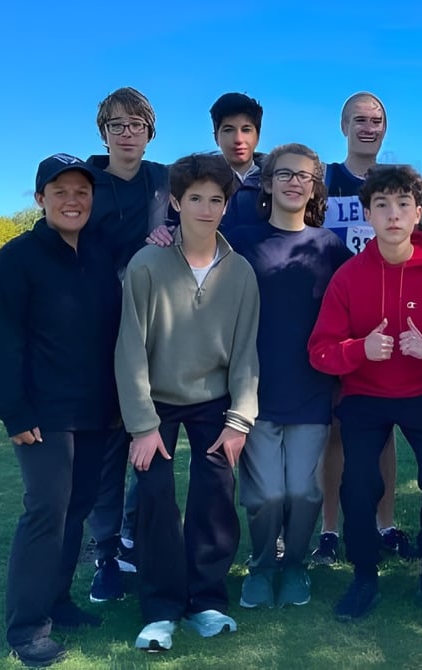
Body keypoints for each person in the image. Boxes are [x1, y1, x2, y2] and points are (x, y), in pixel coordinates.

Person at [308, 165, 422, 622]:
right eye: (382, 205)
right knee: (359, 483)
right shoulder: (348, 276)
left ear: (418, 213)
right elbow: (320, 351)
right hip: (365, 395)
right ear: (367, 215)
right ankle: (364, 576)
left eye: (403, 204)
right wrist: (359, 349)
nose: (393, 214)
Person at [115, 153, 260, 651]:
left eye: (215, 199)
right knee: (155, 500)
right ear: (175, 202)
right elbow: (130, 346)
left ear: (226, 205)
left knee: (215, 499)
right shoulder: (147, 263)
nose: (205, 208)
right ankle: (159, 610)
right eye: (194, 198)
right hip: (155, 403)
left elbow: (245, 353)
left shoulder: (240, 272)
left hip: (214, 402)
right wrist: (141, 425)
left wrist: (240, 421)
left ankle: (207, 601)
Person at [0, 155, 120, 667]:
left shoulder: (101, 254)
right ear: (40, 199)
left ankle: (59, 602)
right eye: (60, 190)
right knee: (46, 512)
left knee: (76, 510)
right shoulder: (16, 260)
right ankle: (27, 627)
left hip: (94, 411)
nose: (72, 200)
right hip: (42, 416)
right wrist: (13, 413)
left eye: (81, 191)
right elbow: (6, 340)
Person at [225, 144, 352, 609]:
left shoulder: (330, 246)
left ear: (315, 186)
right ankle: (260, 567)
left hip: (311, 387)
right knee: (265, 494)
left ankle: (295, 564)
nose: (294, 182)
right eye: (285, 174)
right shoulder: (239, 240)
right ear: (268, 182)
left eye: (304, 175)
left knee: (302, 489)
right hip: (254, 387)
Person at [315, 92, 412, 564]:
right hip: (336, 320)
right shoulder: (324, 180)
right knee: (336, 428)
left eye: (376, 120)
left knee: (384, 429)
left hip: (387, 321)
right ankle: (330, 528)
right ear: (343, 125)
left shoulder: (393, 181)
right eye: (358, 119)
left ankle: (384, 522)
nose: (367, 127)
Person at [83, 86, 170, 604]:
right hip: (98, 334)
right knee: (109, 448)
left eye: (137, 124)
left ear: (150, 131)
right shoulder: (85, 183)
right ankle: (105, 552)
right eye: (118, 125)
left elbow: (231, 189)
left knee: (151, 442)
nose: (128, 133)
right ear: (103, 132)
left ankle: (136, 538)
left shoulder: (164, 180)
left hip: (155, 331)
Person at [211, 92, 266, 231]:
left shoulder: (277, 180)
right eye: (228, 130)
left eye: (246, 130)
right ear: (216, 137)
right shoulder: (198, 181)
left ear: (257, 136)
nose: (238, 139)